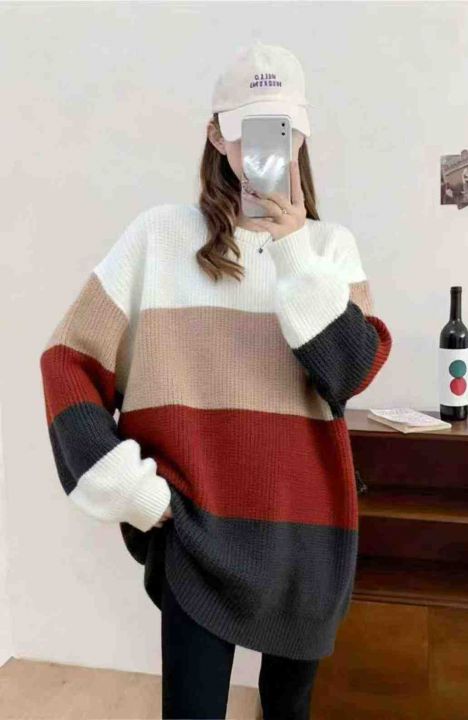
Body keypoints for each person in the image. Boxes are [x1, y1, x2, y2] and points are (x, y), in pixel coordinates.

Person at [39, 40, 392, 720]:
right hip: (198, 534)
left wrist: (293, 253)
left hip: (309, 535)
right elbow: (67, 359)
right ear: (215, 135)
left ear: (302, 135)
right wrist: (133, 491)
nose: (265, 151)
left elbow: (349, 374)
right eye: (247, 132)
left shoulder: (329, 250)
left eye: (281, 131)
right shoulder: (158, 239)